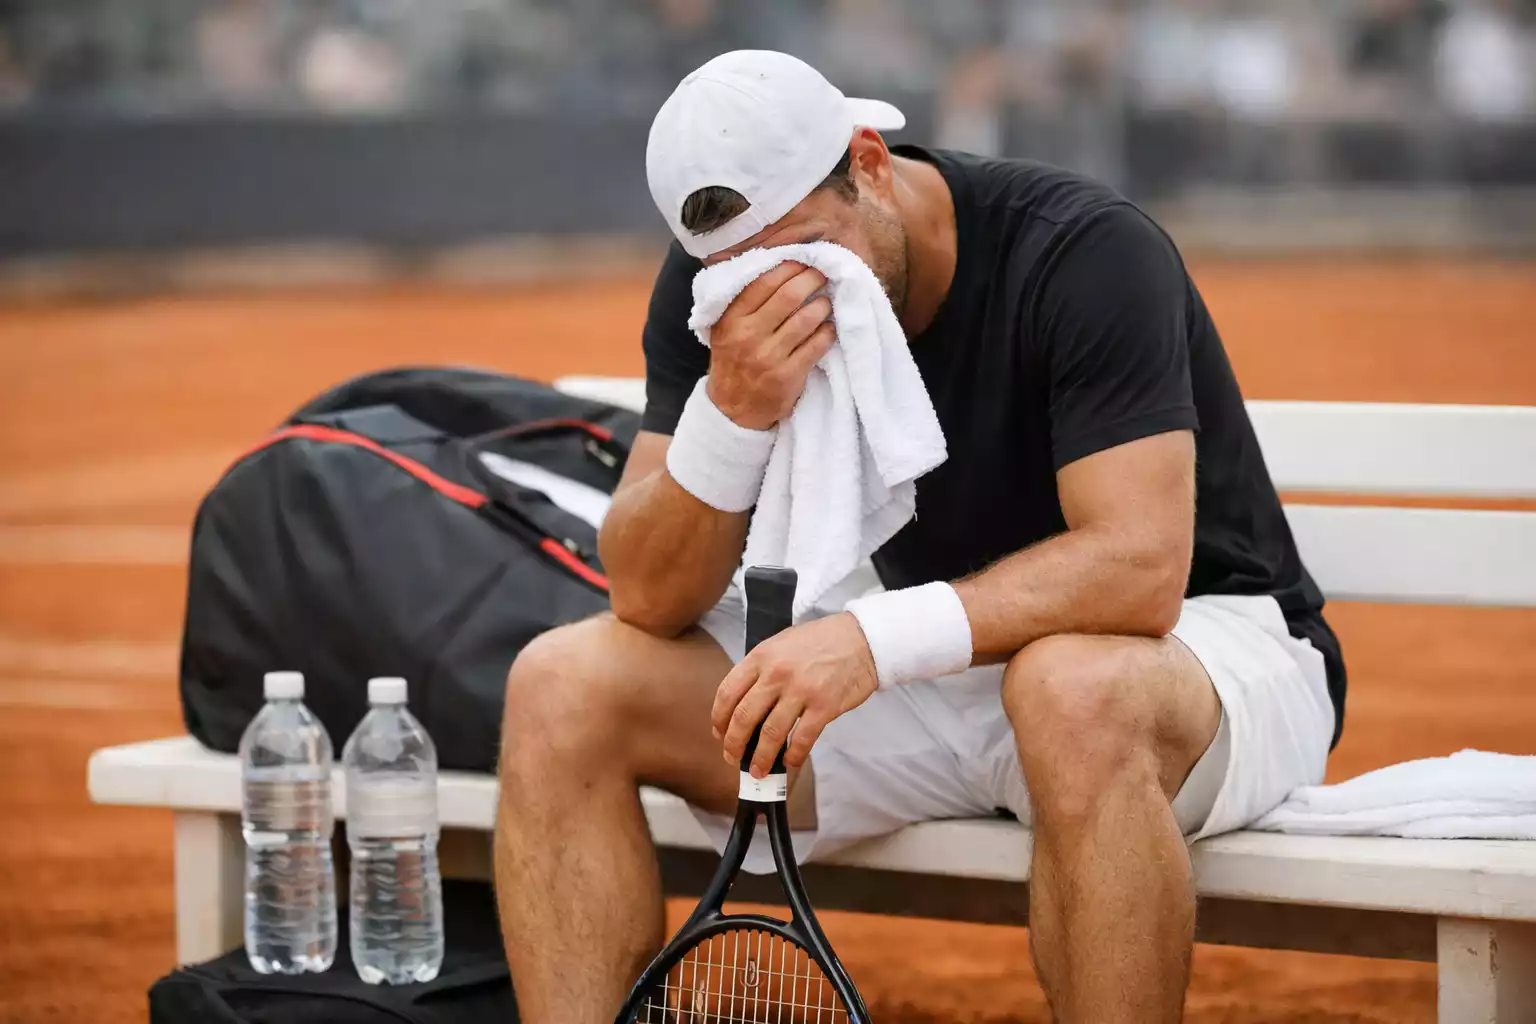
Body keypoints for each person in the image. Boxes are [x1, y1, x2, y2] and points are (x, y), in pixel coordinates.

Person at [495, 49, 1345, 1024]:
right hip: (943, 674)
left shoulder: (1084, 248)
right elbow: (645, 594)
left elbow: (1142, 568)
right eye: (745, 274)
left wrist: (872, 637)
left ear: (870, 160)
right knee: (564, 686)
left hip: (1198, 662)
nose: (785, 292)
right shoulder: (717, 283)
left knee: (1067, 687)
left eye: (811, 251)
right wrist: (730, 411)